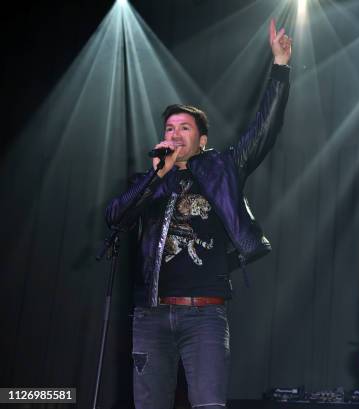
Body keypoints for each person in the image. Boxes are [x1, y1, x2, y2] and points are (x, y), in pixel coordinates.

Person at [105, 19, 291, 409]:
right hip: (151, 316)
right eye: (169, 128)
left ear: (201, 140)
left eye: (184, 128)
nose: (174, 134)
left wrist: (280, 67)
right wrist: (157, 176)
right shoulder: (150, 180)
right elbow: (116, 218)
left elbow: (263, 133)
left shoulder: (223, 167)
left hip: (204, 316)